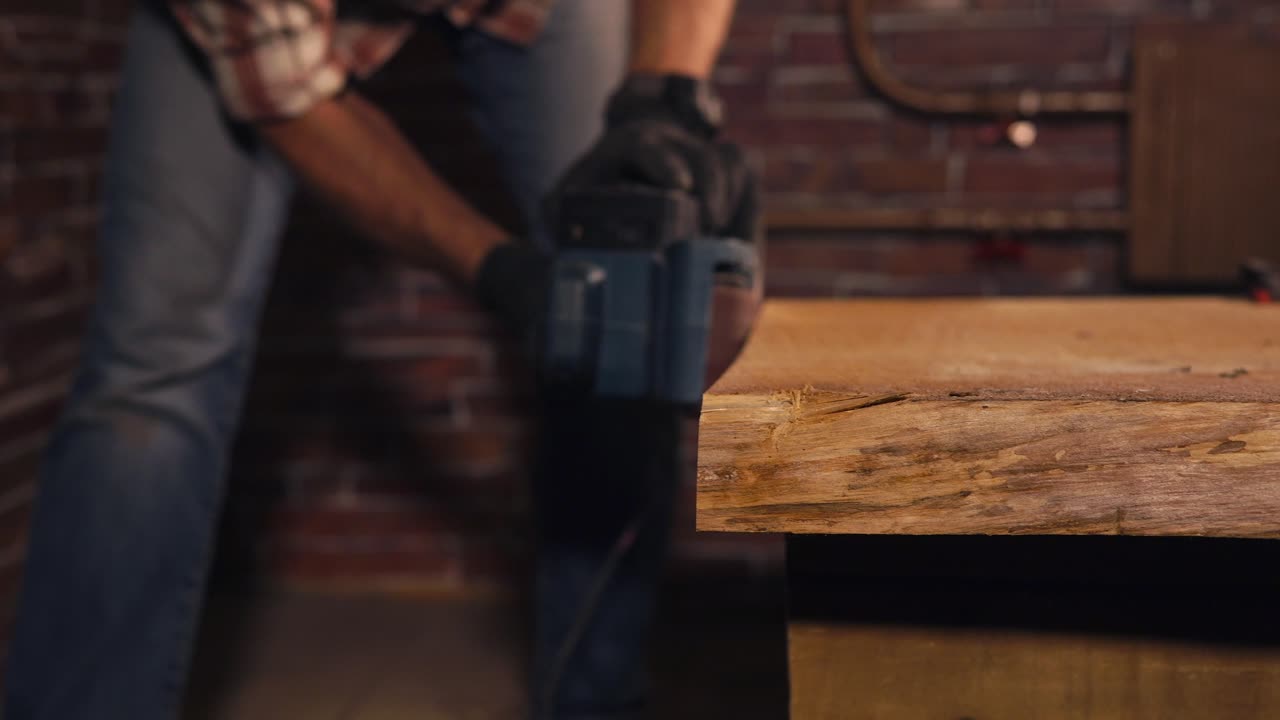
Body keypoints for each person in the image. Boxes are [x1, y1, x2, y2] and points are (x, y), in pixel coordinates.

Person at [3, 0, 760, 718]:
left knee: (627, 301)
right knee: (157, 360)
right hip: (261, 30)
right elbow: (292, 101)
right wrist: (498, 270)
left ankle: (596, 701)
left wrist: (668, 94)